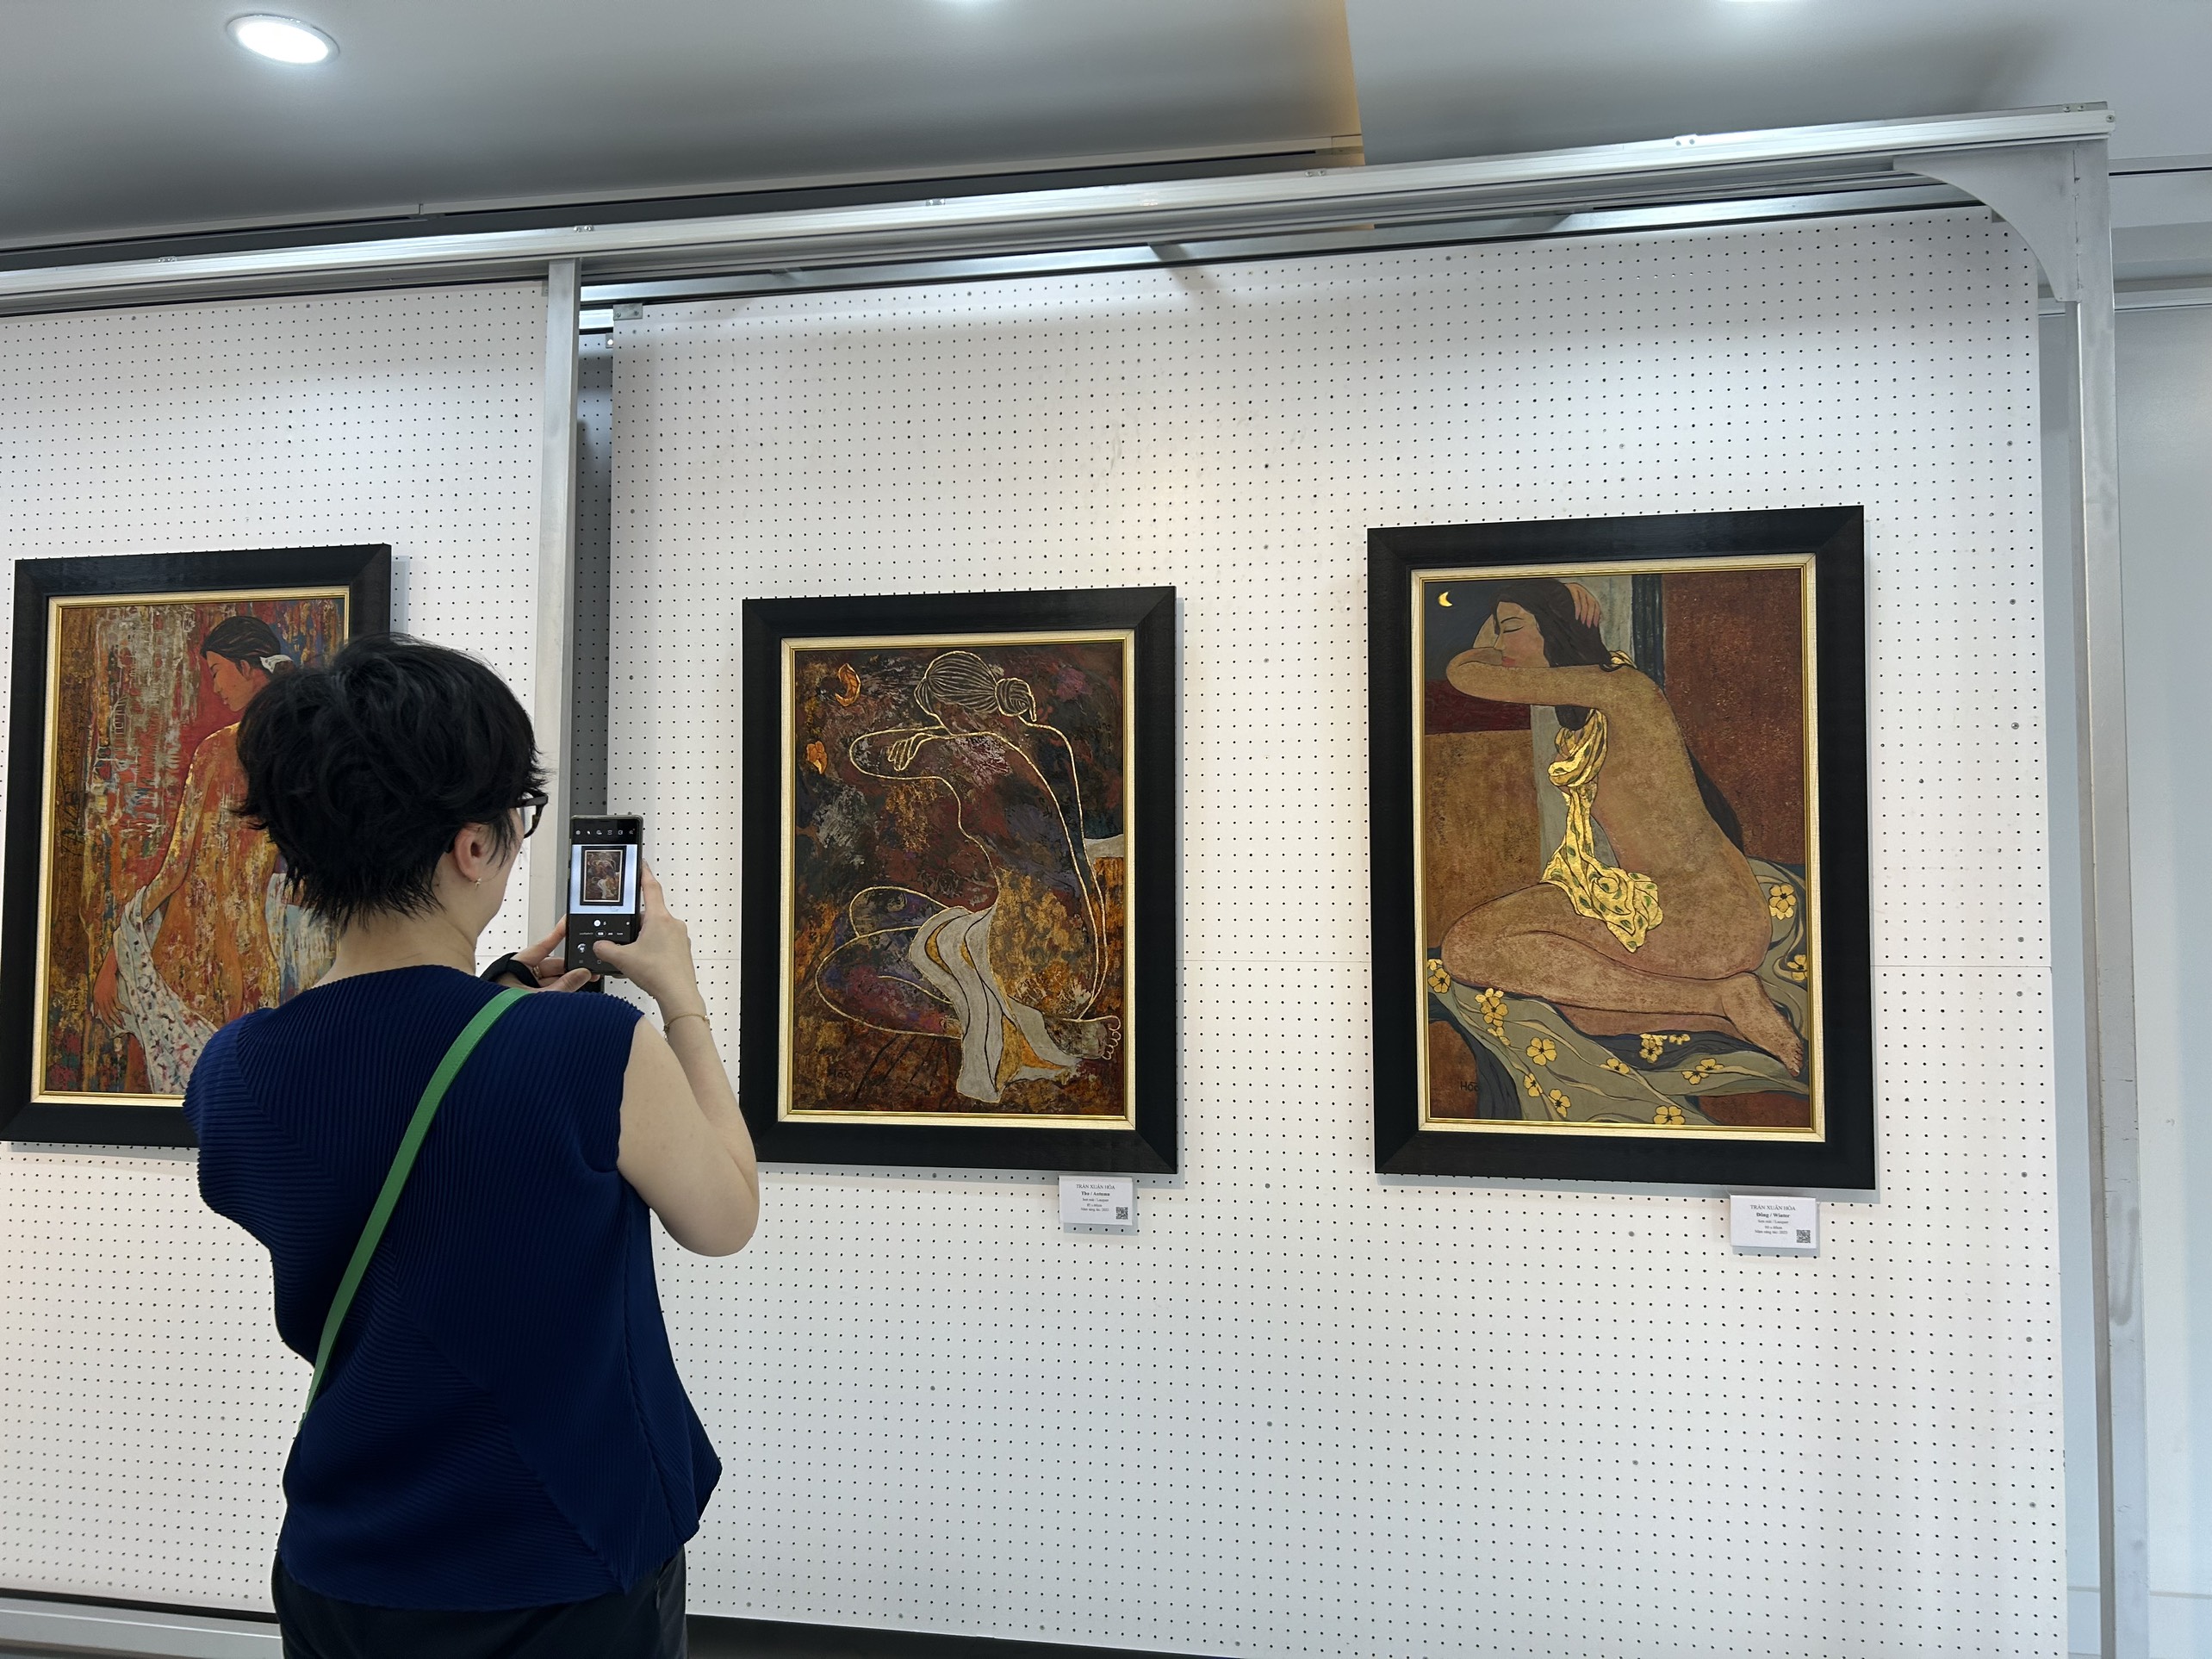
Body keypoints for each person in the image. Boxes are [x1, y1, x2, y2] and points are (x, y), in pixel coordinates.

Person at [181, 633, 758, 1657]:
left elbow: (392, 1137)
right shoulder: (590, 1047)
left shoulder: (232, 1071)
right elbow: (724, 1216)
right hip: (563, 1557)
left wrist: (497, 1006)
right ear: (472, 848)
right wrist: (681, 999)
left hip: (342, 1559)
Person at [1438, 579, 1801, 1072]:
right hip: (1676, 908)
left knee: (1469, 947)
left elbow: (1464, 673)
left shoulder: (1618, 688)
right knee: (1584, 1009)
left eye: (1512, 628)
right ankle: (1721, 1010)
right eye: (1500, 631)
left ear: (1557, 628)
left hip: (1700, 916)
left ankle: (1722, 997)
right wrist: (1548, 593)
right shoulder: (1601, 695)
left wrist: (1540, 596)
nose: (1502, 646)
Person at [816, 649, 1119, 1105]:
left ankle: (1028, 1032)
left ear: (952, 709)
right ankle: (1030, 1022)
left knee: (840, 974)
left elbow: (863, 753)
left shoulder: (967, 752)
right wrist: (935, 735)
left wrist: (925, 737)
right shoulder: (1049, 740)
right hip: (1082, 949)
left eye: (938, 714)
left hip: (1032, 968)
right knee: (871, 909)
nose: (938, 724)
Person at [92, 615, 315, 1090]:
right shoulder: (302, 757)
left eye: (216, 671)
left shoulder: (216, 751)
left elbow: (175, 870)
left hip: (188, 960)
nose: (214, 687)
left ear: (247, 667)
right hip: (255, 965)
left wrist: (114, 957)